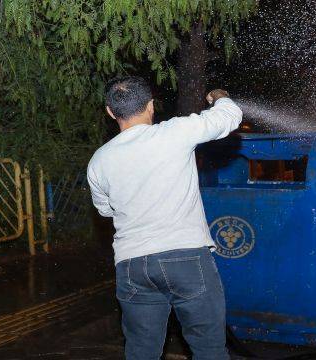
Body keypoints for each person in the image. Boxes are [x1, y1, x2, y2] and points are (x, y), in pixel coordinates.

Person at [87, 76, 242, 360]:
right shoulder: (174, 132)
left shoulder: (99, 159)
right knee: (209, 349)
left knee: (141, 351)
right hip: (185, 258)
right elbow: (230, 116)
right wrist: (219, 95)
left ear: (110, 111)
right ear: (150, 106)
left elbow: (105, 210)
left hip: (132, 265)